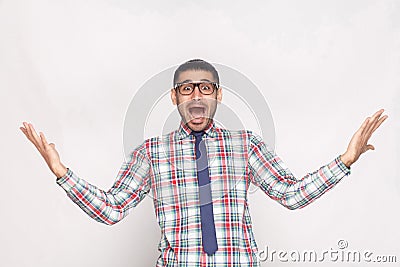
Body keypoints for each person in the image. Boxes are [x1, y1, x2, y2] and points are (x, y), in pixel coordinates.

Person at [20, 59, 388, 266]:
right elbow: (112, 209)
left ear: (218, 95)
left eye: (205, 87)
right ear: (174, 97)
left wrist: (345, 160)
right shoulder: (151, 152)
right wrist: (62, 173)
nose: (196, 94)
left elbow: (290, 194)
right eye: (187, 87)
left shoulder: (246, 146)